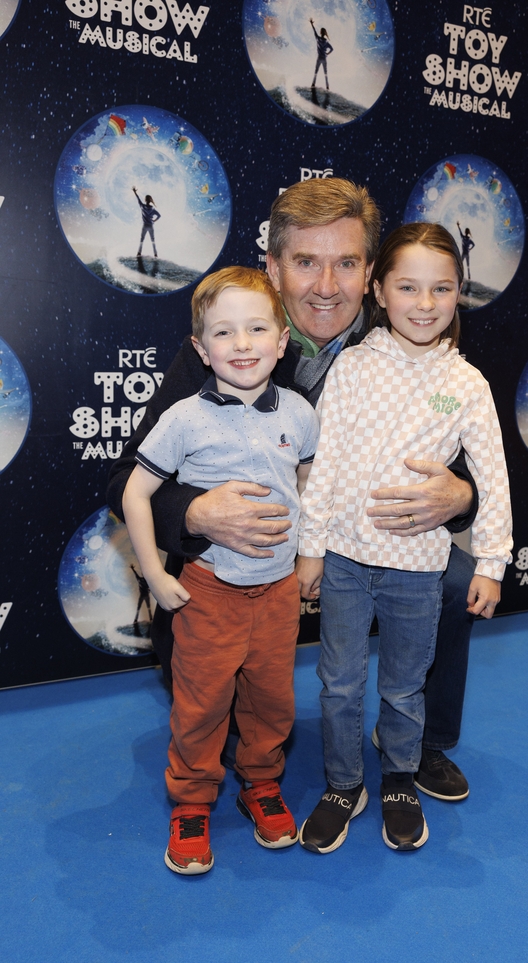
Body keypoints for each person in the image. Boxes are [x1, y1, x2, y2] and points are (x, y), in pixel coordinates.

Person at [106, 178, 478, 815]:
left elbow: (465, 464)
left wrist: (459, 494)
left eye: (347, 263)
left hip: (367, 540)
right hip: (245, 557)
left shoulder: (412, 331)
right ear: (273, 268)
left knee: (453, 577)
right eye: (306, 262)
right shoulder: (229, 336)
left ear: (372, 274)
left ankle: (424, 743)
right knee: (214, 718)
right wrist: (195, 512)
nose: (327, 286)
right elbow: (126, 481)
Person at [296, 224, 512, 852]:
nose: (424, 303)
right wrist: (311, 547)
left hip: (418, 566)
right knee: (339, 684)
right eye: (408, 287)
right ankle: (344, 785)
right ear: (379, 291)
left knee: (403, 685)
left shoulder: (467, 384)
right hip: (343, 560)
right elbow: (326, 463)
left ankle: (397, 779)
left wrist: (491, 562)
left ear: (458, 293)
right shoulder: (353, 367)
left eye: (441, 288)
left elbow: (492, 477)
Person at [121, 267, 319, 873]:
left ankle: (262, 783)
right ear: (201, 349)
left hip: (279, 593)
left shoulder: (300, 413)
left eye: (257, 328)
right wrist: (155, 575)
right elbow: (134, 493)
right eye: (224, 332)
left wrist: (309, 554)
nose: (242, 344)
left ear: (281, 342)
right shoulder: (184, 417)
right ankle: (191, 801)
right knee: (201, 704)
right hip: (208, 592)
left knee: (272, 701)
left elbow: (310, 485)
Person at [132, 186, 161, 258]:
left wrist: (135, 192)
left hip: (145, 226)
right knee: (153, 240)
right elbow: (159, 215)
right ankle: (155, 254)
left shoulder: (142, 206)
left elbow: (138, 199)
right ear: (150, 200)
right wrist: (154, 220)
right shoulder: (153, 209)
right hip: (151, 226)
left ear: (145, 200)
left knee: (142, 240)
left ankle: (139, 253)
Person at [310, 19, 333, 90]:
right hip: (324, 58)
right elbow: (332, 49)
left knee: (316, 71)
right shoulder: (326, 42)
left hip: (319, 58)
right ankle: (327, 86)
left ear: (320, 32)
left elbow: (314, 31)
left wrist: (312, 24)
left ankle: (313, 84)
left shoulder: (318, 39)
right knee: (325, 73)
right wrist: (327, 53)